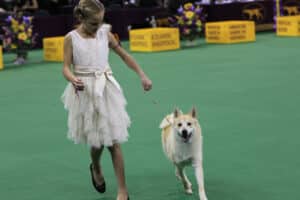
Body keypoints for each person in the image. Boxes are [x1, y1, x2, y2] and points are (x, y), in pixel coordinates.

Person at [61, 0, 152, 200]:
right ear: (80, 18)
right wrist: (72, 78)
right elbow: (66, 67)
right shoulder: (71, 39)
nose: (97, 27)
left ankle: (122, 191)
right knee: (97, 142)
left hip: (107, 89)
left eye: (100, 22)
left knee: (114, 140)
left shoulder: (105, 33)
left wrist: (142, 75)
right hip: (84, 90)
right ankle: (96, 166)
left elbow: (124, 55)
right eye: (93, 23)